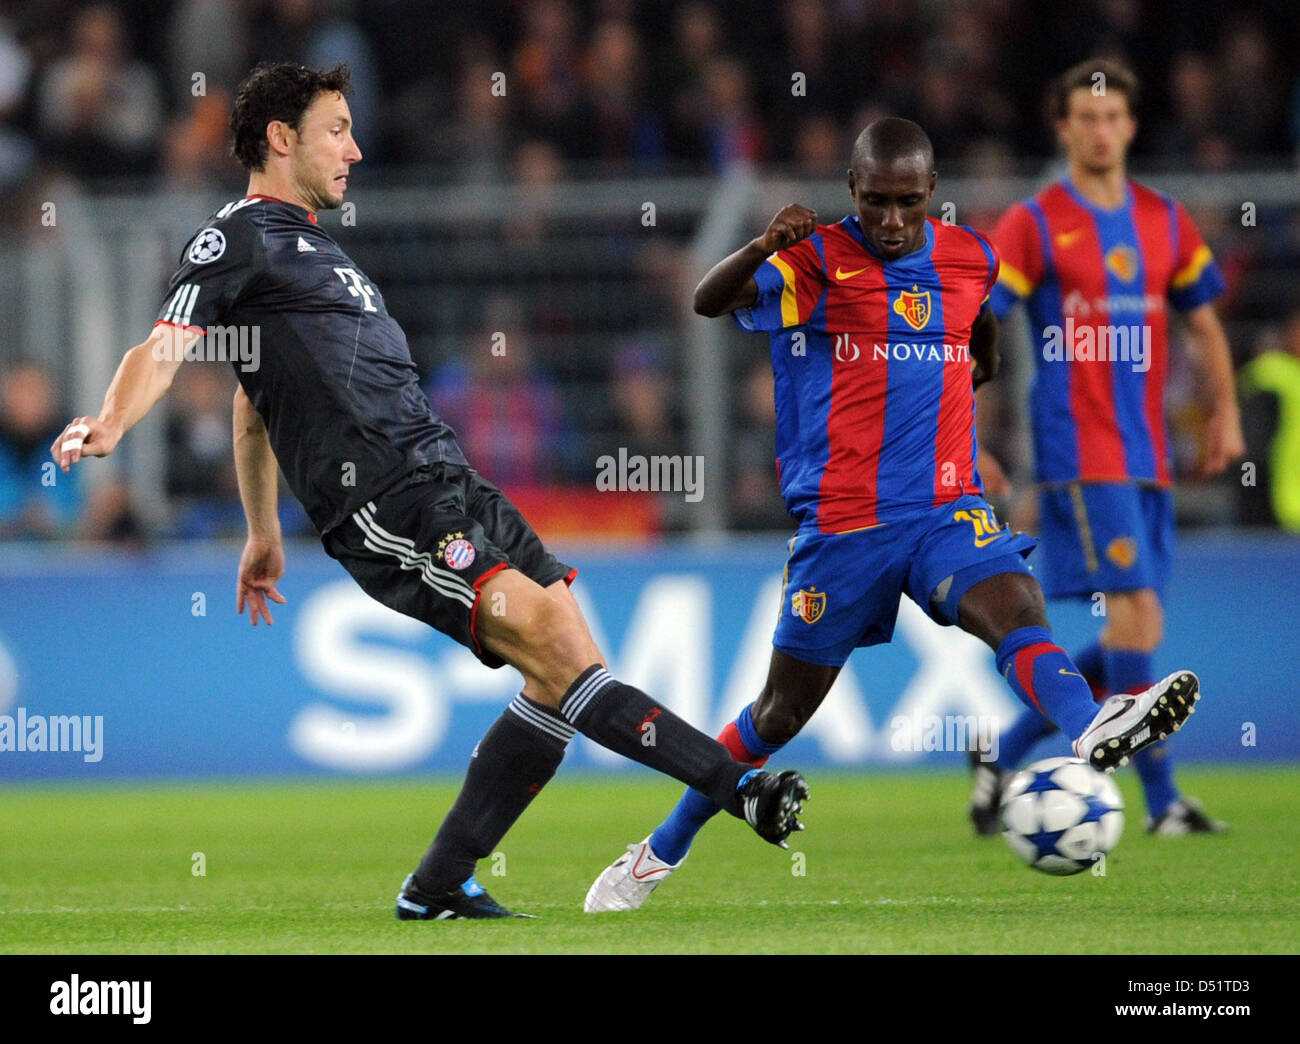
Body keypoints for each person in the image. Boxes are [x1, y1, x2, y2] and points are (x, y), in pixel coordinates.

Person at [49, 61, 809, 921]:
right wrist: (111, 421)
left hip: (449, 478)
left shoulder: (317, 253)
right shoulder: (235, 238)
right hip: (385, 501)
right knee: (561, 660)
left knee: (562, 660)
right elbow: (164, 341)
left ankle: (439, 885)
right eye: (338, 129)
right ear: (280, 137)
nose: (356, 149)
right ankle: (738, 790)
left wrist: (260, 531)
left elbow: (252, 401)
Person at [584, 116, 1202, 914]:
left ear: (931, 195)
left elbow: (978, 324)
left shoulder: (969, 256)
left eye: (907, 202)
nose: (890, 220)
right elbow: (708, 301)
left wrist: (981, 375)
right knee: (779, 713)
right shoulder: (814, 261)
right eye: (875, 201)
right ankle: (658, 851)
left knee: (1017, 606)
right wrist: (763, 246)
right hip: (843, 526)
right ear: (853, 190)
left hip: (946, 509)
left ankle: (1089, 727)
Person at [969, 59, 1241, 838]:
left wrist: (1224, 412)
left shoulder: (1163, 219)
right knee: (1132, 613)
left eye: (1113, 116)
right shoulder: (1034, 222)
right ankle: (1164, 804)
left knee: (1139, 629)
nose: (1099, 129)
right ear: (1063, 128)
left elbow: (1205, 321)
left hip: (1147, 450)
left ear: (1129, 125)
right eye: (1084, 118)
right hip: (1078, 450)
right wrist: (973, 435)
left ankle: (1006, 749)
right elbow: (981, 328)